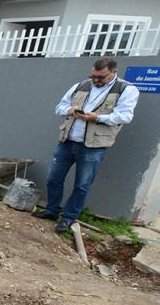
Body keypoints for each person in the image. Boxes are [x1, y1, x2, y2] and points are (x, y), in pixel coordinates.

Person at [32, 57, 140, 233]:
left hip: (93, 146)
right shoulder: (82, 85)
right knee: (53, 178)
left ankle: (68, 218)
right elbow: (60, 106)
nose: (96, 81)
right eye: (93, 76)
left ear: (114, 72)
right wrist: (70, 110)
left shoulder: (127, 89)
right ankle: (51, 211)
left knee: (82, 185)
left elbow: (125, 116)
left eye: (101, 77)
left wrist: (97, 117)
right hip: (67, 141)